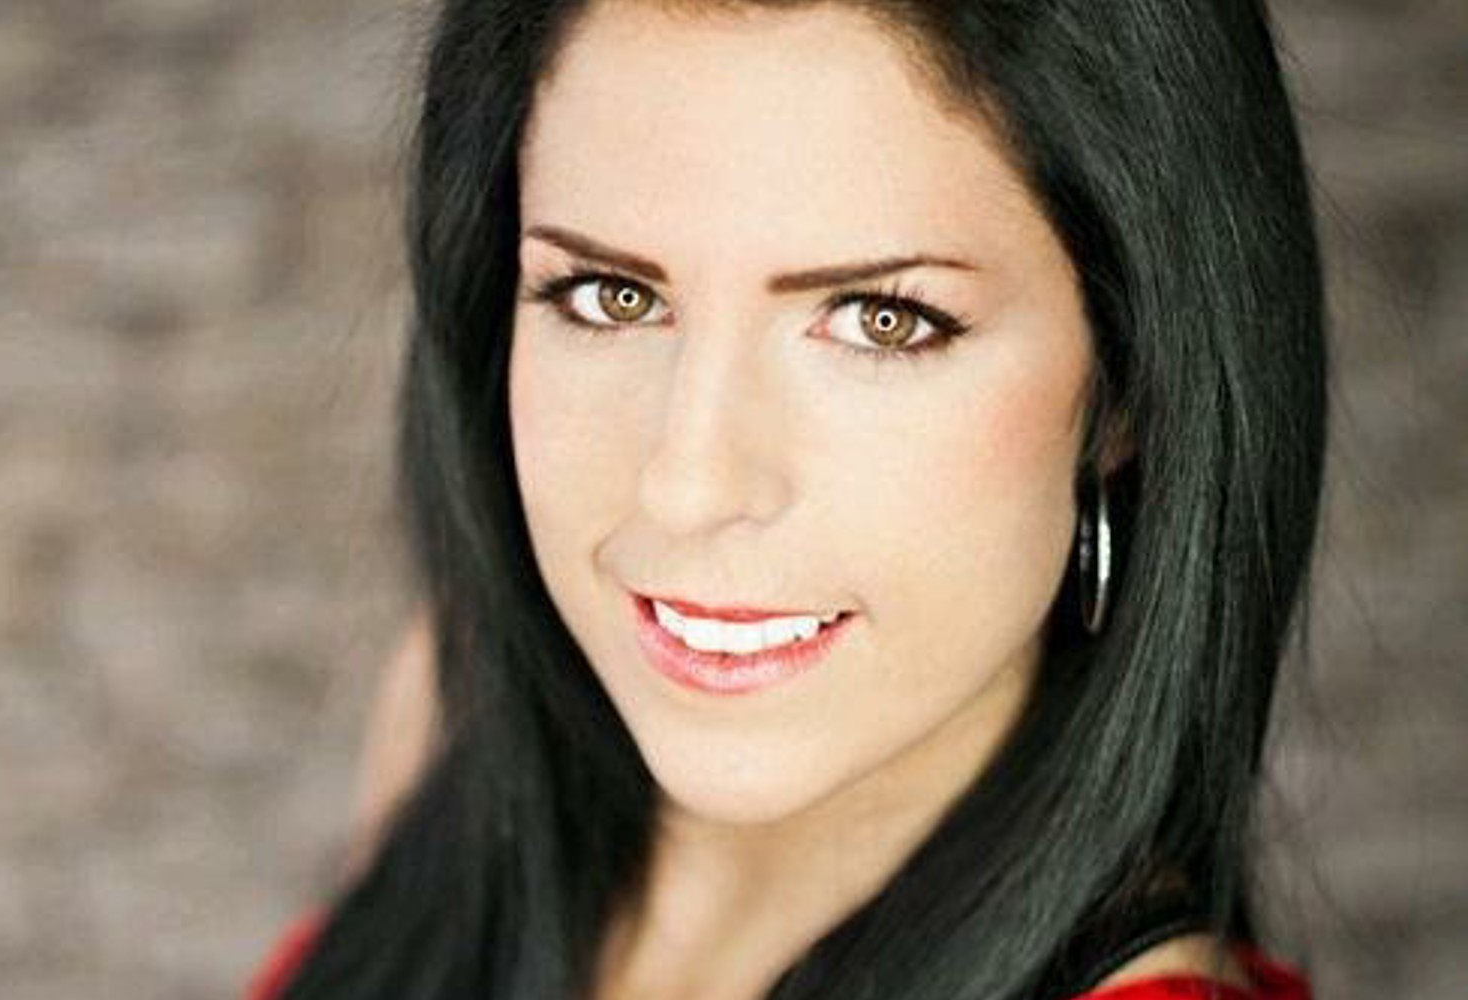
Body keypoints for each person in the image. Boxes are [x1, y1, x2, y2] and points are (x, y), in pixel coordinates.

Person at [247, 0, 1328, 997]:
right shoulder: (449, 731)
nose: (688, 486)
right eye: (611, 297)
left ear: (1127, 383)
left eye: (879, 320)